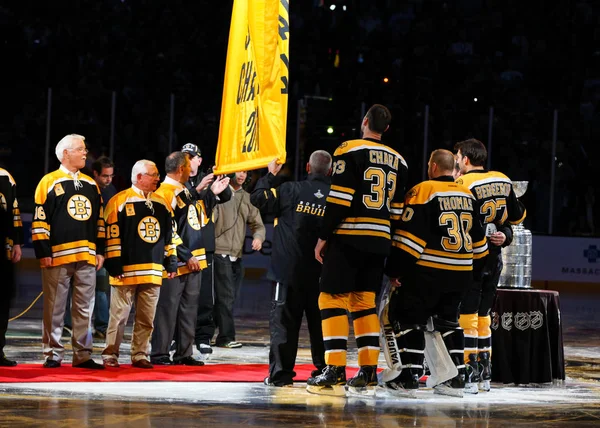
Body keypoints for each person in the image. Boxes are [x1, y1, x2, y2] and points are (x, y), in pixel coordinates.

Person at [307, 104, 408, 396]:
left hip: (350, 235)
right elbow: (399, 212)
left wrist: (324, 236)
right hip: (380, 240)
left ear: (364, 121)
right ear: (386, 129)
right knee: (364, 302)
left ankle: (335, 368)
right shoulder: (399, 160)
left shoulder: (348, 149)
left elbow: (340, 199)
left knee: (331, 298)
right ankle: (367, 371)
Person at [383, 149, 489, 397]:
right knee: (448, 322)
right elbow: (479, 245)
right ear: (453, 168)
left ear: (432, 167)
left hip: (429, 271)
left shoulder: (423, 191)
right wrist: (474, 274)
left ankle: (409, 376)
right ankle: (457, 378)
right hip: (461, 273)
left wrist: (394, 271)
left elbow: (410, 239)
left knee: (406, 316)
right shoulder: (467, 194)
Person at [251, 151, 332, 387]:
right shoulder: (338, 196)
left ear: (308, 167)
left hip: (287, 273)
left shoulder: (289, 190)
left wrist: (271, 175)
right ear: (329, 171)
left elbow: (257, 198)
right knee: (322, 326)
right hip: (322, 275)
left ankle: (280, 375)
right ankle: (326, 371)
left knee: (283, 325)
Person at [454, 138, 527, 392]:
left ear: (465, 159)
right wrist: (504, 234)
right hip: (495, 257)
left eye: (458, 156)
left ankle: (469, 372)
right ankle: (485, 371)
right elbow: (518, 216)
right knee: (483, 315)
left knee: (467, 315)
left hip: (473, 256)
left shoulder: (462, 183)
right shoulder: (503, 179)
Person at [32, 134, 105, 369]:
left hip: (87, 255)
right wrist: (43, 251)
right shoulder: (49, 181)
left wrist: (100, 251)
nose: (85, 153)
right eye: (81, 149)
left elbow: (99, 221)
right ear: (66, 153)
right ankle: (52, 353)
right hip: (57, 255)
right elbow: (40, 220)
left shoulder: (92, 184)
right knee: (54, 307)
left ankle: (82, 354)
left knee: (86, 307)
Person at [150, 152, 229, 366]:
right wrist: (186, 255)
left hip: (196, 261)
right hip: (176, 261)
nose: (191, 169)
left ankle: (184, 353)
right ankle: (159, 353)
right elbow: (166, 230)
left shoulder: (185, 191)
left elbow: (198, 221)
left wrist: (212, 193)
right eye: (187, 165)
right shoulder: (164, 193)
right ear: (180, 169)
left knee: (189, 310)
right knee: (167, 309)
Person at [101, 160, 178, 368]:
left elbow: (169, 236)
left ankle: (140, 354)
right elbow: (111, 235)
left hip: (153, 270)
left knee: (147, 318)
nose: (157, 178)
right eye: (153, 175)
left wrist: (171, 261)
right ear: (139, 177)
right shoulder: (119, 201)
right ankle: (111, 353)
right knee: (118, 318)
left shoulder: (162, 203)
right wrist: (114, 263)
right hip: (125, 271)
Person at [180, 143, 232, 355]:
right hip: (182, 243)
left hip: (203, 243)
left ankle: (203, 336)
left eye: (191, 157)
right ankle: (179, 337)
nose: (188, 160)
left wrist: (217, 183)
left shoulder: (209, 176)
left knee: (204, 296)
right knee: (180, 295)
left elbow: (226, 196)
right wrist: (201, 189)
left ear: (199, 160)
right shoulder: (178, 179)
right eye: (185, 157)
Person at [212, 171, 265, 348]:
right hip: (220, 253)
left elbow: (258, 224)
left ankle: (204, 334)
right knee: (226, 298)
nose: (242, 175)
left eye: (245, 172)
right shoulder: (218, 194)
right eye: (239, 171)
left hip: (237, 256)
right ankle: (226, 337)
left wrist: (258, 237)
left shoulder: (248, 199)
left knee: (228, 299)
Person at [0, 167, 23, 366]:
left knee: (2, 301)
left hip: (2, 250)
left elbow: (14, 211)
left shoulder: (6, 177)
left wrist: (16, 242)